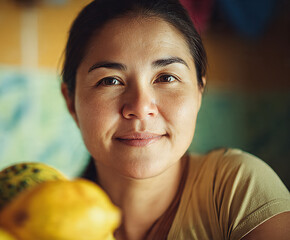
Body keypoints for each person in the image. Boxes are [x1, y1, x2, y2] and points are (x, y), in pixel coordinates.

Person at [60, 0, 290, 239]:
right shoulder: (47, 220)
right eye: (110, 80)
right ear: (70, 101)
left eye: (166, 78)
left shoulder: (236, 189)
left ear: (199, 91)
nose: (140, 108)